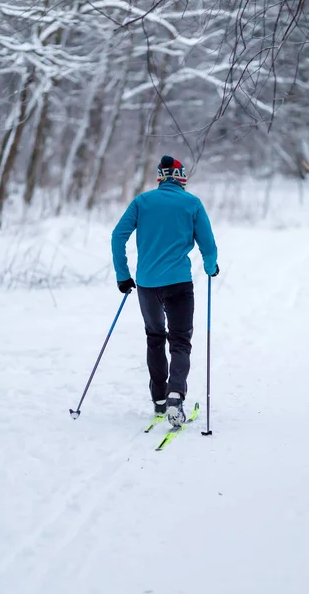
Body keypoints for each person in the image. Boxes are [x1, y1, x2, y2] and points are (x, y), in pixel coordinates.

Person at [111, 155, 219, 427]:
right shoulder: (192, 203)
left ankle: (159, 399)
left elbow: (117, 236)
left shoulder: (142, 202)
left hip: (147, 285)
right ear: (181, 178)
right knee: (180, 340)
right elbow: (208, 244)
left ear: (160, 177)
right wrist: (210, 266)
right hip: (179, 285)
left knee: (155, 337)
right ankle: (175, 395)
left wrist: (123, 276)